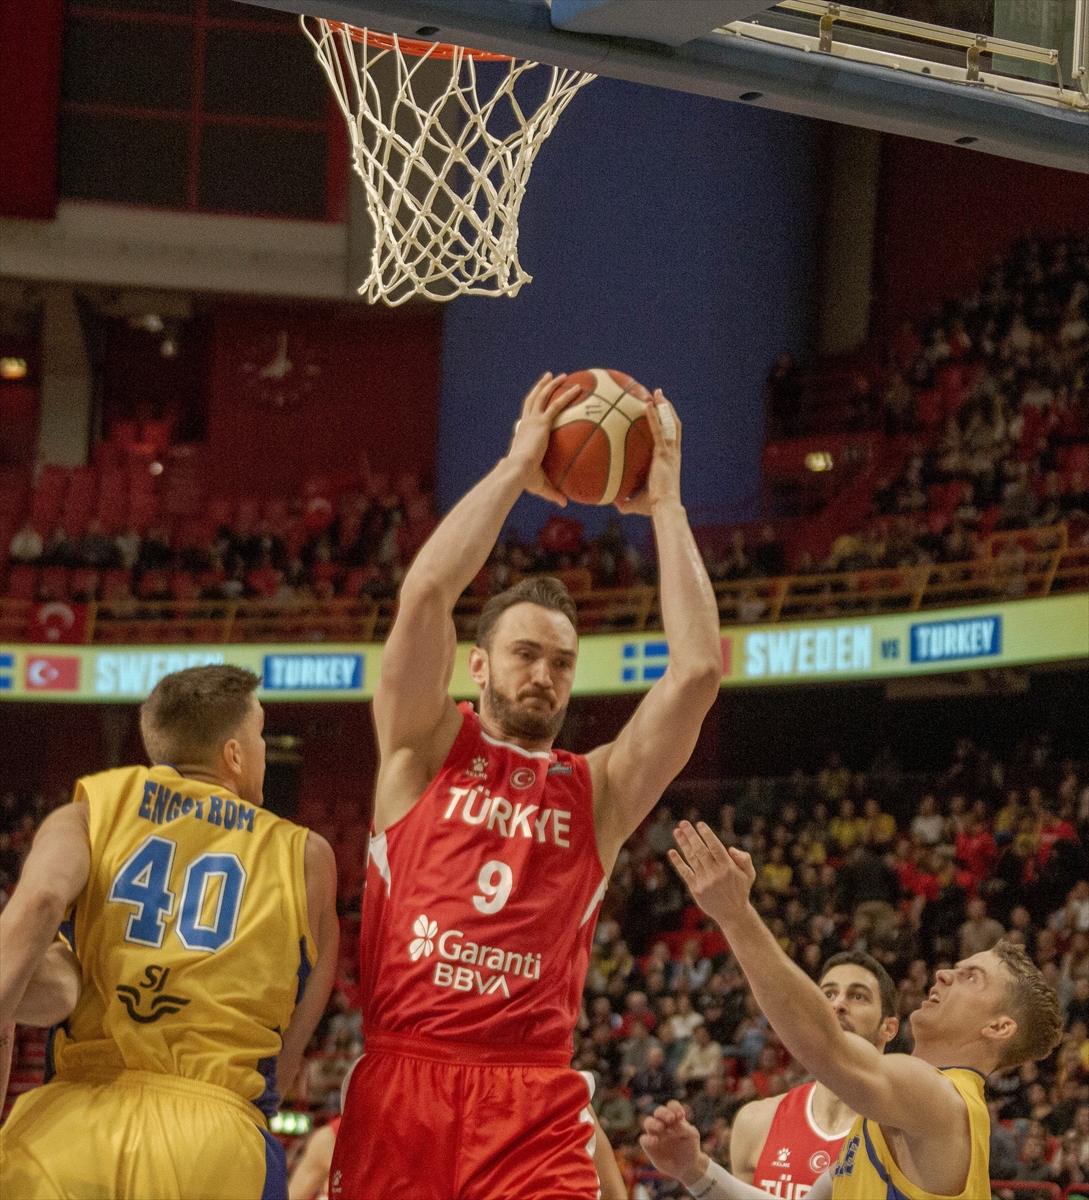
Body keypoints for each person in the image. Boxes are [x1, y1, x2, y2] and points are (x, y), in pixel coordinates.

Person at [330, 372, 722, 1199]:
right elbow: (426, 593)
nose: (544, 675)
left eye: (561, 663)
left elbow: (695, 673)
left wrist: (666, 506)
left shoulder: (597, 789)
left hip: (531, 1095)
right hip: (404, 1081)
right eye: (525, 654)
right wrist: (515, 468)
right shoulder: (421, 746)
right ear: (477, 666)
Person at [0, 665, 339, 1200]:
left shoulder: (89, 810)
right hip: (214, 1143)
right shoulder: (308, 857)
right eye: (259, 736)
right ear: (234, 754)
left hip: (69, 1130)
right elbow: (290, 1045)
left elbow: (38, 904)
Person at [641, 821, 1063, 1200]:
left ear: (999, 1026)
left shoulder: (944, 1101)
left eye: (971, 977)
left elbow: (826, 1045)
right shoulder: (888, 1116)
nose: (944, 974)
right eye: (957, 967)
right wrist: (695, 1172)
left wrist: (736, 915)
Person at [728, 952, 899, 1196]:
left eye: (858, 996)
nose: (838, 1004)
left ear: (888, 1028)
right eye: (828, 994)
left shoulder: (904, 1136)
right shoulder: (755, 1122)